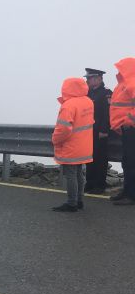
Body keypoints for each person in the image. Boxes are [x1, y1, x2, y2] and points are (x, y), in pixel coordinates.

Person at [51, 77, 94, 212]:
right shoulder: (88, 101)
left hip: (71, 146)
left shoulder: (68, 105)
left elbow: (63, 129)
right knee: (79, 174)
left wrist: (55, 140)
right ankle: (79, 200)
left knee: (71, 175)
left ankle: (71, 203)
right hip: (84, 145)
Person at [109, 57, 135, 205]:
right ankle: (126, 191)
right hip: (125, 130)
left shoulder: (132, 82)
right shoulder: (123, 84)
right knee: (127, 162)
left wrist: (128, 121)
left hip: (131, 129)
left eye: (121, 68)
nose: (119, 70)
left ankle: (131, 195)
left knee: (131, 162)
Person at [84, 69, 111, 194]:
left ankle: (100, 185)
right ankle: (90, 184)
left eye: (89, 78)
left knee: (100, 159)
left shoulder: (106, 93)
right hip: (88, 131)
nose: (87, 80)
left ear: (98, 79)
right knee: (90, 158)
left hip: (100, 131)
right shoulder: (88, 93)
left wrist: (104, 130)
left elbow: (108, 113)